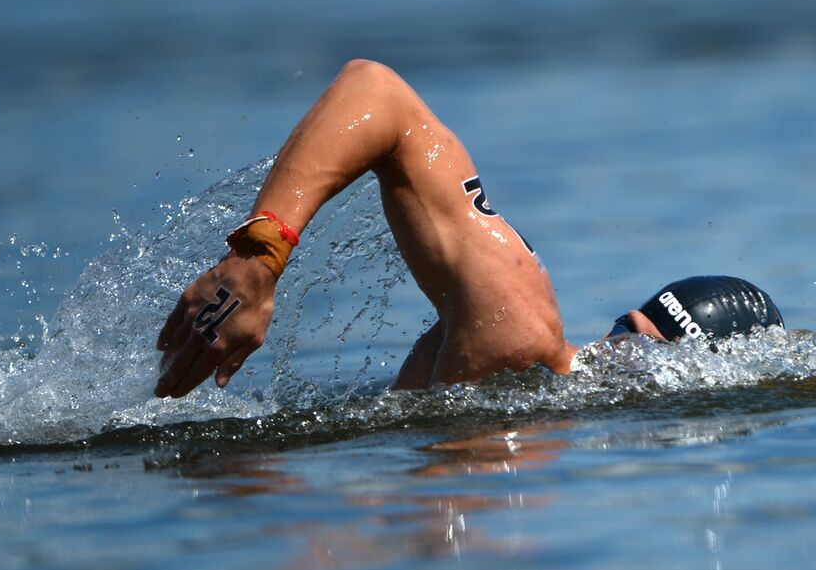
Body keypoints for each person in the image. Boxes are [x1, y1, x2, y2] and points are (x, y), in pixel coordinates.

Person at [155, 60, 781, 398]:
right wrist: (259, 256)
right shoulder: (519, 328)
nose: (622, 356)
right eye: (627, 334)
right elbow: (377, 92)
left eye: (647, 354)